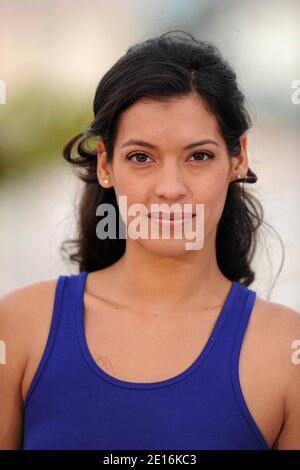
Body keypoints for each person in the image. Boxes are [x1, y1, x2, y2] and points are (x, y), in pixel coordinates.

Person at [0, 30, 299, 450]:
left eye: (199, 156)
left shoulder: (287, 352)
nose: (170, 188)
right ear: (105, 164)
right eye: (141, 157)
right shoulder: (19, 327)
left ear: (238, 159)